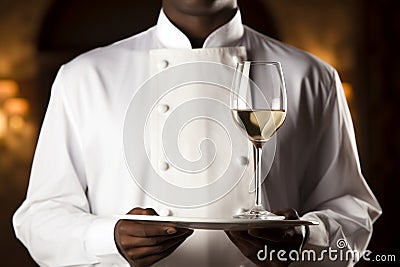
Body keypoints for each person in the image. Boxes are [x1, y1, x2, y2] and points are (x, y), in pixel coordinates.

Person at [13, 0, 381, 266]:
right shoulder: (84, 76)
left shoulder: (312, 76)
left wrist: (304, 240)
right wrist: (109, 238)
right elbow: (39, 218)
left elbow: (353, 214)